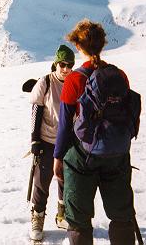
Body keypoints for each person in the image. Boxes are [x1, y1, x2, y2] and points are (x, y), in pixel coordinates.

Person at [53, 19, 137, 245]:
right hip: (116, 154)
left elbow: (64, 124)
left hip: (82, 158)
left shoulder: (74, 79)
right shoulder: (119, 75)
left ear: (78, 47)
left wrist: (58, 157)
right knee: (121, 216)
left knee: (79, 220)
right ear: (102, 45)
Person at [29, 44, 75, 241]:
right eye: (62, 64)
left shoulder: (74, 82)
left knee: (66, 180)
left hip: (69, 141)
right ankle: (37, 218)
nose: (66, 69)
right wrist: (34, 141)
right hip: (47, 141)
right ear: (56, 63)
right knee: (42, 182)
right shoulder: (45, 82)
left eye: (70, 65)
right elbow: (36, 111)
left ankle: (62, 214)